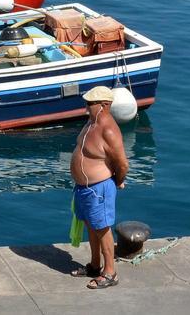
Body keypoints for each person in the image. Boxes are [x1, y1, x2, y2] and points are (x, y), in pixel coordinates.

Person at [69, 85, 129, 289]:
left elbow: (122, 163)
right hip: (84, 188)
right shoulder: (91, 123)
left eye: (90, 104)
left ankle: (110, 272)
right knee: (90, 225)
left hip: (99, 189)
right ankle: (95, 266)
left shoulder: (109, 130)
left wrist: (118, 180)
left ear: (104, 105)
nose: (86, 108)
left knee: (102, 229)